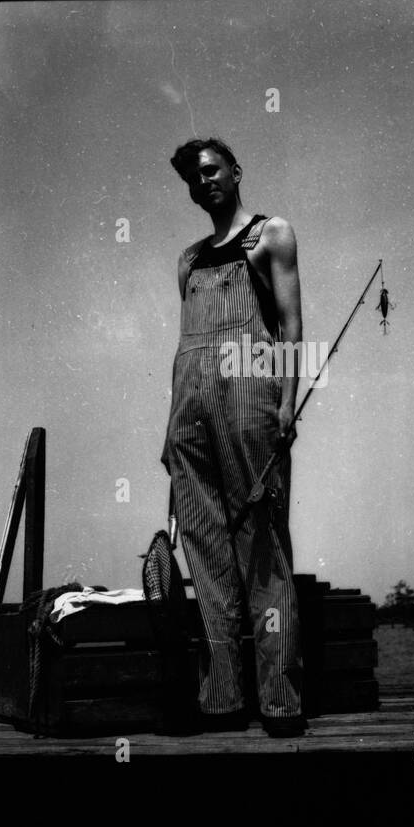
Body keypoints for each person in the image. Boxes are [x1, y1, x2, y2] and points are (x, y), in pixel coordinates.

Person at [161, 137, 305, 737]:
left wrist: (287, 403)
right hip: (190, 413)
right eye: (194, 178)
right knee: (206, 553)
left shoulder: (272, 234)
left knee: (263, 551)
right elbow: (188, 347)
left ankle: (280, 704)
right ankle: (222, 700)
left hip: (250, 401)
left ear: (236, 170)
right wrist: (172, 427)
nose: (204, 182)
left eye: (212, 169)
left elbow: (293, 324)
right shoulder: (188, 259)